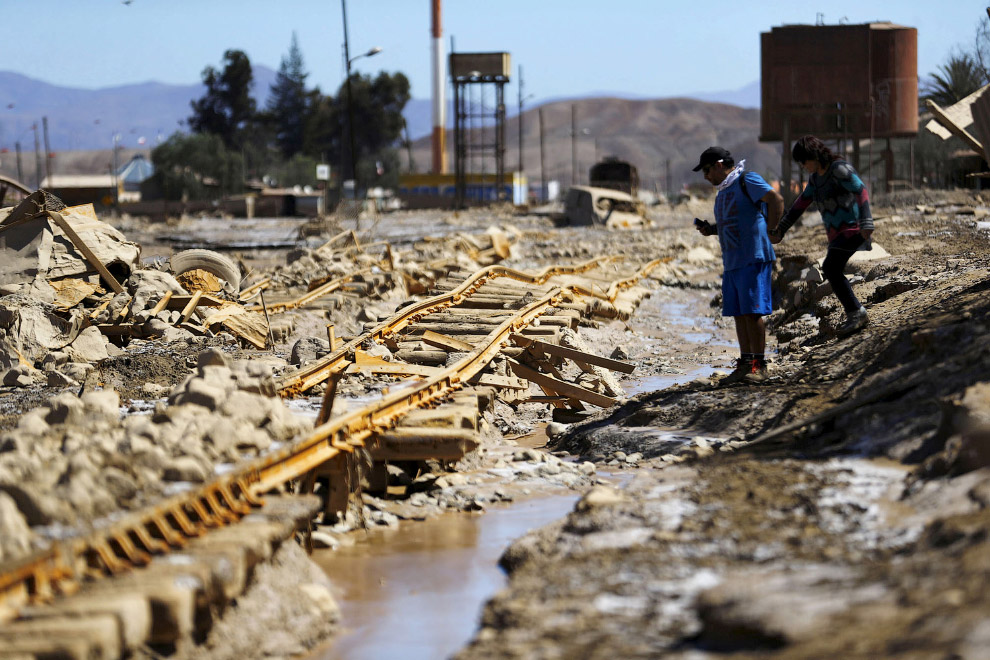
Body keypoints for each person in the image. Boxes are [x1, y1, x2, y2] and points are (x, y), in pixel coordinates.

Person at [693, 146, 784, 384]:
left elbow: (775, 199)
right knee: (739, 314)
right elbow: (732, 222)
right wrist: (711, 229)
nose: (705, 176)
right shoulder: (723, 192)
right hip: (732, 262)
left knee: (752, 313)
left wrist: (774, 230)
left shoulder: (747, 180)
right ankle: (745, 364)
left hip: (753, 257)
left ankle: (759, 366)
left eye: (706, 170)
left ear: (720, 165)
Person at [769, 135, 874, 335]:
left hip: (854, 229)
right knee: (832, 269)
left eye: (804, 161)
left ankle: (856, 313)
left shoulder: (839, 169)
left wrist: (867, 221)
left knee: (831, 268)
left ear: (815, 155)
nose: (802, 166)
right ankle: (855, 312)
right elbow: (799, 206)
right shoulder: (816, 180)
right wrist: (781, 229)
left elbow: (861, 190)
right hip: (837, 235)